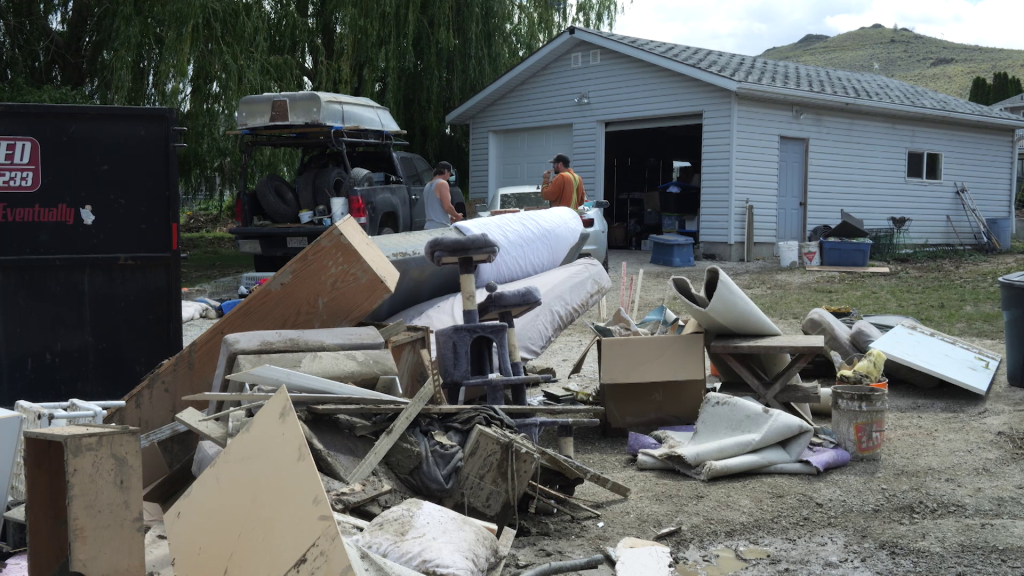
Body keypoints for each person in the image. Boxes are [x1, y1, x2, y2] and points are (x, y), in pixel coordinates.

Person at [423, 161, 464, 229]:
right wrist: (457, 216)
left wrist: (450, 217)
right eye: (449, 174)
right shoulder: (442, 183)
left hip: (428, 226)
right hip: (440, 227)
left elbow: (436, 207)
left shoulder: (427, 186)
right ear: (445, 171)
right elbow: (447, 207)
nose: (448, 177)